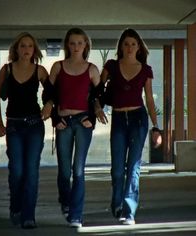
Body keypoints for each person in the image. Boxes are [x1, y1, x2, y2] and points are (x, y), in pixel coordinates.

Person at [100, 28, 162, 225]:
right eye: (126, 44)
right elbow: (97, 91)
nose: (129, 47)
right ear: (121, 46)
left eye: (133, 44)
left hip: (138, 119)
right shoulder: (111, 66)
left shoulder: (145, 70)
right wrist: (95, 107)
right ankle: (117, 202)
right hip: (118, 119)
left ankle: (129, 211)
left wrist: (156, 127)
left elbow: (150, 100)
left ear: (138, 47)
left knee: (134, 166)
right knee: (118, 168)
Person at [0, 32, 53, 229]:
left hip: (35, 125)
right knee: (17, 171)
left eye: (29, 46)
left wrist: (49, 104)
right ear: (16, 50)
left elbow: (52, 93)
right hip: (14, 126)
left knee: (31, 171)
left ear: (34, 49)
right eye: (22, 46)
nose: (26, 49)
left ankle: (29, 216)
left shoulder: (40, 70)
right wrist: (0, 124)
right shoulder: (7, 69)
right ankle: (15, 207)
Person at [49, 27, 107, 228]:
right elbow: (48, 95)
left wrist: (93, 115)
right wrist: (55, 118)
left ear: (86, 45)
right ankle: (65, 201)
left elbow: (99, 96)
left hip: (83, 123)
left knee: (78, 170)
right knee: (64, 171)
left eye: (79, 43)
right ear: (67, 45)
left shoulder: (92, 69)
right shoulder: (57, 67)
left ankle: (76, 215)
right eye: (72, 43)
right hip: (63, 122)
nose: (76, 47)